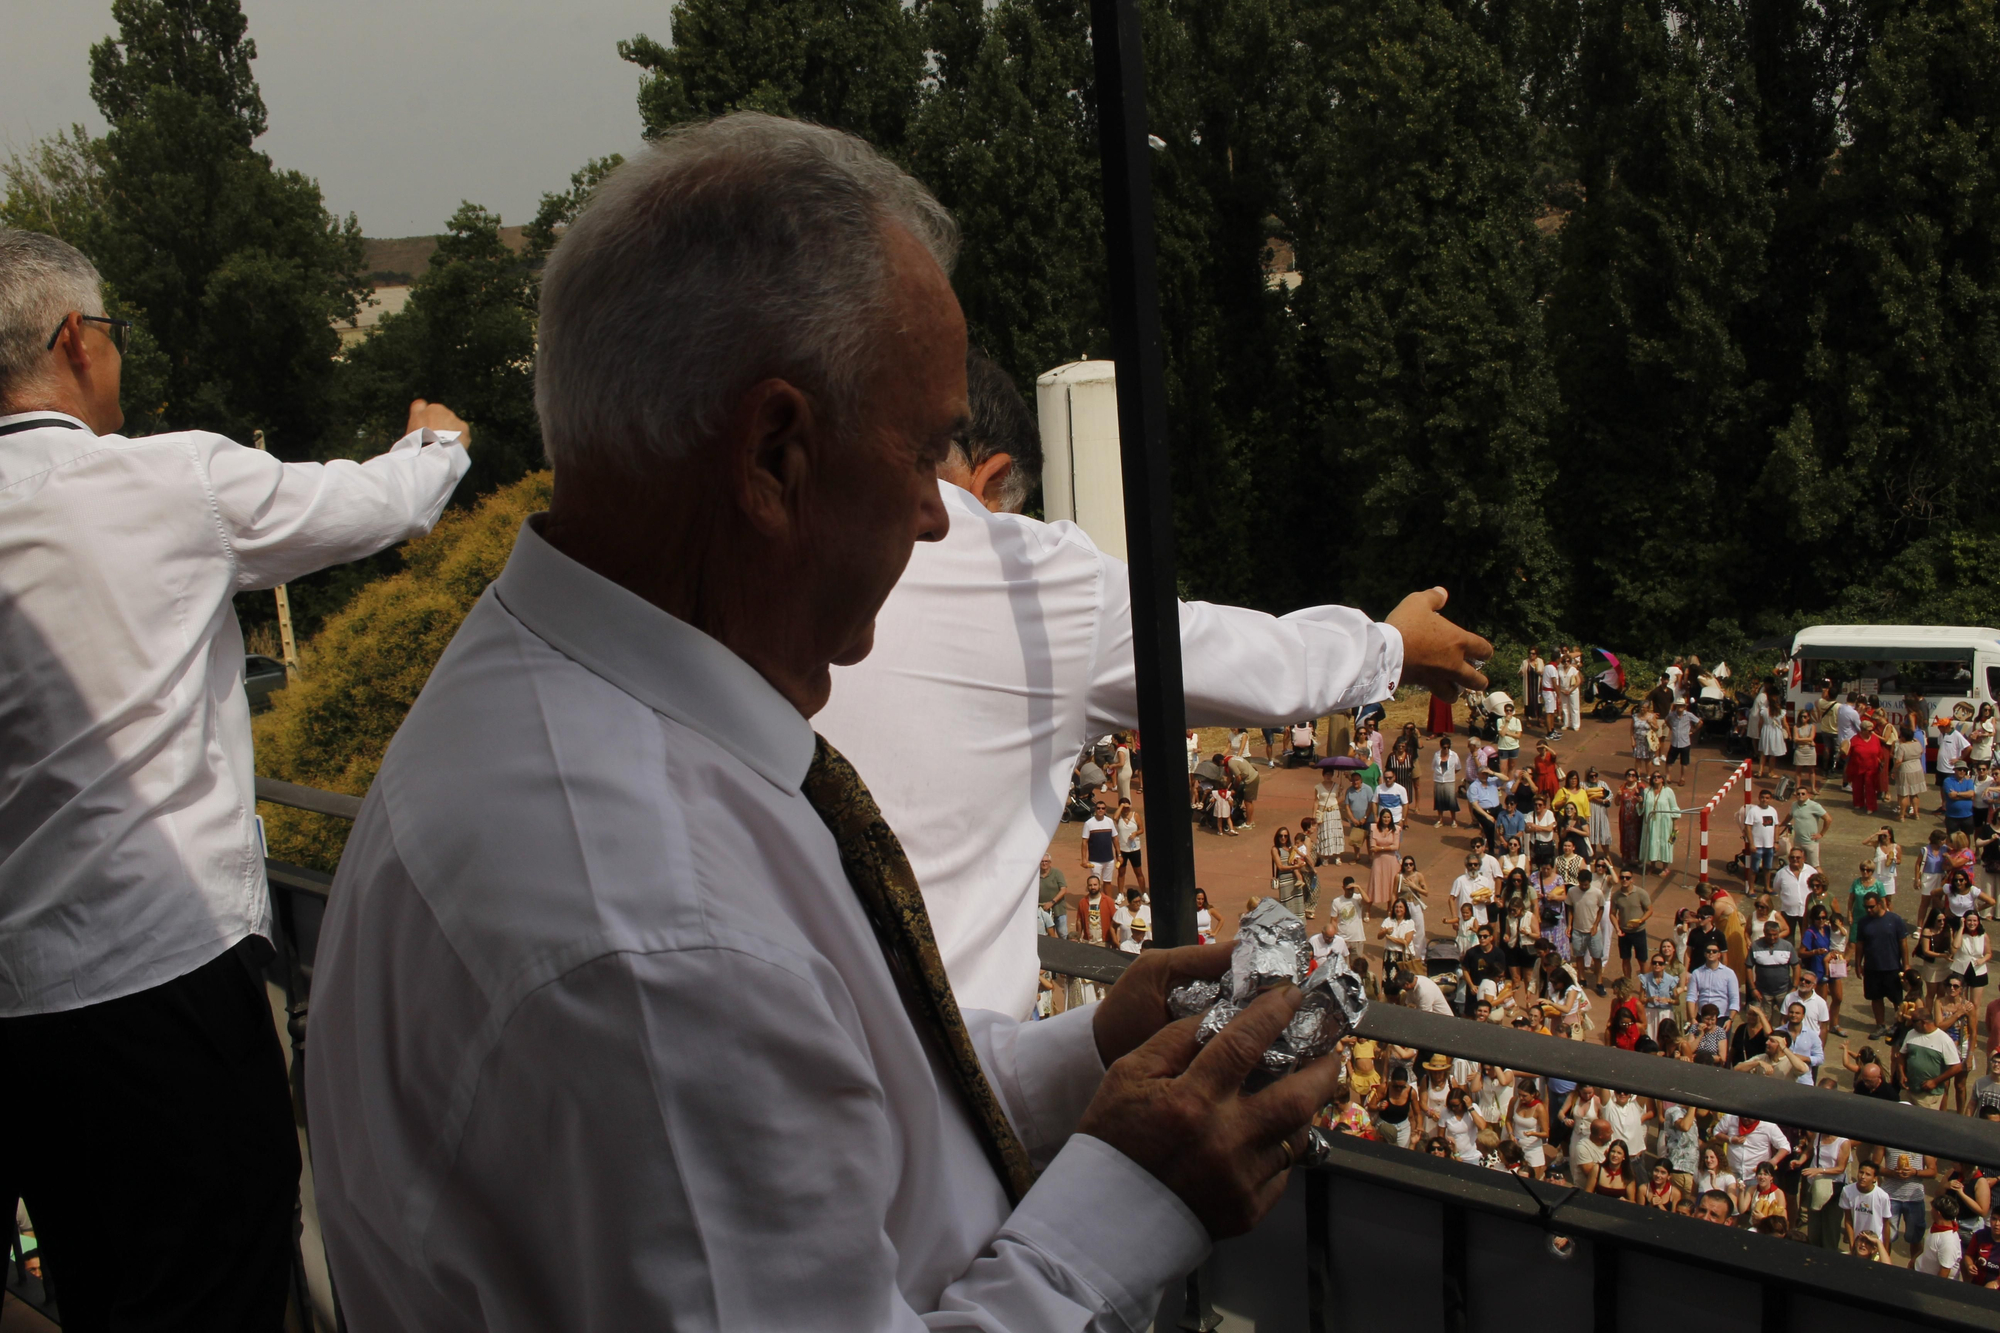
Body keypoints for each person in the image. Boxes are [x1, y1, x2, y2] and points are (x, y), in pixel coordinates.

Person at [305, 118, 1347, 1327]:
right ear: (774, 455)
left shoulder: (553, 701)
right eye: (917, 453)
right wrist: (1130, 1201)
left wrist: (1082, 1057)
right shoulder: (658, 936)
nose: (937, 517)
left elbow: (831, 1144)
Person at [0, 226, 475, 1325]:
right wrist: (437, 443)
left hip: (24, 1004)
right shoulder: (170, 482)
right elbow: (377, 506)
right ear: (75, 341)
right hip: (164, 975)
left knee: (98, 1272)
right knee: (226, 1267)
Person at [1856, 890, 1915, 1036]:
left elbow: (1903, 943)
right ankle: (1880, 1025)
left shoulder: (1895, 920)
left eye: (1871, 907)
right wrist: (1858, 963)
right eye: (1866, 907)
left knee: (1897, 999)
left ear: (1880, 904)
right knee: (1876, 998)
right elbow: (1860, 944)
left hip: (1892, 966)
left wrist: (1906, 964)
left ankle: (1899, 1025)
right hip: (1872, 967)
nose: (1868, 910)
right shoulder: (1863, 922)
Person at [1900, 1006, 1965, 1110]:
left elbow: (1957, 1067)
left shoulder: (1944, 1040)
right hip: (1908, 1090)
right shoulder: (1911, 1033)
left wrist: (1935, 1081)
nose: (1911, 1023)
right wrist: (1901, 1074)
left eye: (1914, 1021)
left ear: (1923, 1022)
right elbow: (1902, 1055)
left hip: (1928, 1096)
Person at [1748, 918, 1800, 1016]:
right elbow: (1748, 967)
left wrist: (1794, 987)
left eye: (1775, 935)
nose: (1772, 938)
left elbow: (1796, 966)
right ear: (1764, 932)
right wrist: (1753, 989)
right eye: (1769, 935)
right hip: (1763, 992)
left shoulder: (1787, 946)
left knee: (1786, 1019)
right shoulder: (1755, 946)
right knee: (1764, 1020)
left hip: (1784, 992)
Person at [1640, 773, 1679, 876]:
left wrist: (1675, 825)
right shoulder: (1647, 791)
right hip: (1650, 822)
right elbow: (1641, 808)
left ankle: (1665, 867)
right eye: (1654, 777)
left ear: (1662, 779)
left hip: (1664, 822)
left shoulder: (1668, 791)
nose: (1656, 779)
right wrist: (1640, 803)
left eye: (1658, 777)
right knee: (1652, 841)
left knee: (1664, 842)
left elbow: (1674, 808)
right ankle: (1652, 865)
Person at [1848, 720, 1889, 814]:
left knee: (1870, 787)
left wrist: (1880, 761)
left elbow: (1879, 752)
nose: (1872, 732)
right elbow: (1848, 753)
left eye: (1872, 730)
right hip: (1857, 766)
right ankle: (1858, 803)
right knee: (1857, 786)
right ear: (1862, 730)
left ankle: (1871, 806)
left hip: (1872, 767)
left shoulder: (1875, 739)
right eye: (1869, 731)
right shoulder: (1855, 739)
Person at [1368, 810, 1402, 911]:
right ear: (1380, 818)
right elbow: (1372, 846)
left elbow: (1396, 846)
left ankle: (1389, 909)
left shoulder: (1396, 829)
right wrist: (1387, 847)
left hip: (1392, 861)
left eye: (1388, 817)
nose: (1386, 819)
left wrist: (1381, 848)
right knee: (1374, 884)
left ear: (1391, 818)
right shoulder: (1374, 828)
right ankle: (1367, 910)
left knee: (1391, 886)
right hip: (1378, 861)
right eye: (1384, 817)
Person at [1895, 723, 1929, 822]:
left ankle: (1902, 815)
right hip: (1917, 768)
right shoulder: (1917, 743)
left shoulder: (1902, 746)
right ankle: (1916, 814)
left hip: (1906, 769)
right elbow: (1922, 751)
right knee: (1914, 793)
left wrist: (1894, 770)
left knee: (1904, 793)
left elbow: (1898, 761)